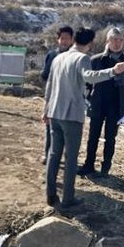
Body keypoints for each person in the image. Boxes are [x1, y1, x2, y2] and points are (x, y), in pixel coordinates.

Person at [42, 27, 124, 209]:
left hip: (54, 113)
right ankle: (68, 199)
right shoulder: (82, 58)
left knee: (53, 155)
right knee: (71, 158)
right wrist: (113, 71)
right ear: (90, 43)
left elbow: (49, 85)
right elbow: (90, 77)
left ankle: (50, 194)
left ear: (74, 39)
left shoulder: (58, 58)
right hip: (72, 115)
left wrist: (45, 110)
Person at [79, 27, 124, 177]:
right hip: (97, 102)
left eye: (120, 40)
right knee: (93, 136)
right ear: (107, 40)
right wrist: (86, 99)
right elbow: (87, 83)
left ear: (123, 42)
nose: (117, 43)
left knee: (110, 138)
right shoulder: (95, 59)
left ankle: (106, 168)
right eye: (114, 39)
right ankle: (88, 165)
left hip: (117, 104)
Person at [40, 25, 74, 165]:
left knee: (67, 130)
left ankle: (63, 156)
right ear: (58, 39)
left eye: (67, 38)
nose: (64, 41)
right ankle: (48, 154)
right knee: (50, 127)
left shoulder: (75, 57)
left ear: (72, 40)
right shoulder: (52, 55)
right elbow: (45, 75)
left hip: (69, 99)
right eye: (62, 38)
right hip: (53, 97)